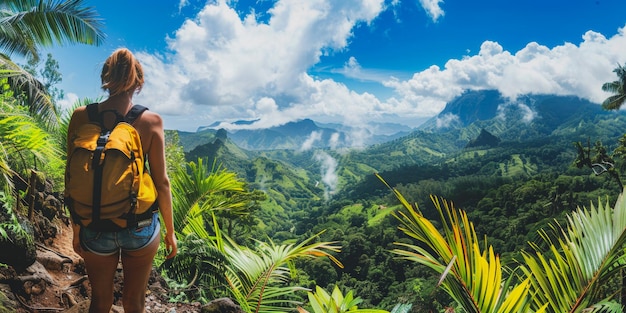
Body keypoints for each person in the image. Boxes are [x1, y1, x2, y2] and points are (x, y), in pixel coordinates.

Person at [65, 48, 177, 313]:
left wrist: (77, 228)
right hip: (138, 227)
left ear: (105, 77)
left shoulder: (81, 116)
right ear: (139, 82)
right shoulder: (151, 121)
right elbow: (161, 182)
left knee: (100, 301)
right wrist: (170, 232)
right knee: (134, 302)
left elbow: (70, 175)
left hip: (93, 224)